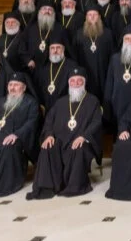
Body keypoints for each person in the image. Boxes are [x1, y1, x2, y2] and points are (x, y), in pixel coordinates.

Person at [27, 68, 103, 199]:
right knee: (47, 147)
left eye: (79, 81)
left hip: (80, 140)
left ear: (84, 83)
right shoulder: (60, 102)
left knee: (79, 148)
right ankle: (47, 186)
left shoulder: (92, 101)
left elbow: (96, 123)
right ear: (69, 83)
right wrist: (49, 135)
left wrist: (84, 137)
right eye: (72, 81)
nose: (76, 83)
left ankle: (74, 186)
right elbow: (49, 121)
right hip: (60, 140)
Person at [33, 36, 78, 111]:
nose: (55, 51)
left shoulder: (72, 66)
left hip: (66, 107)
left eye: (58, 48)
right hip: (46, 108)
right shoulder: (43, 67)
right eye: (52, 48)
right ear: (49, 50)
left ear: (63, 49)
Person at [20, 0, 64, 71]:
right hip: (32, 68)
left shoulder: (60, 29)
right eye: (44, 9)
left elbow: (66, 50)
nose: (47, 11)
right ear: (39, 12)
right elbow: (22, 47)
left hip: (53, 68)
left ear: (54, 13)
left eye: (50, 9)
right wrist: (28, 60)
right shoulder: (31, 28)